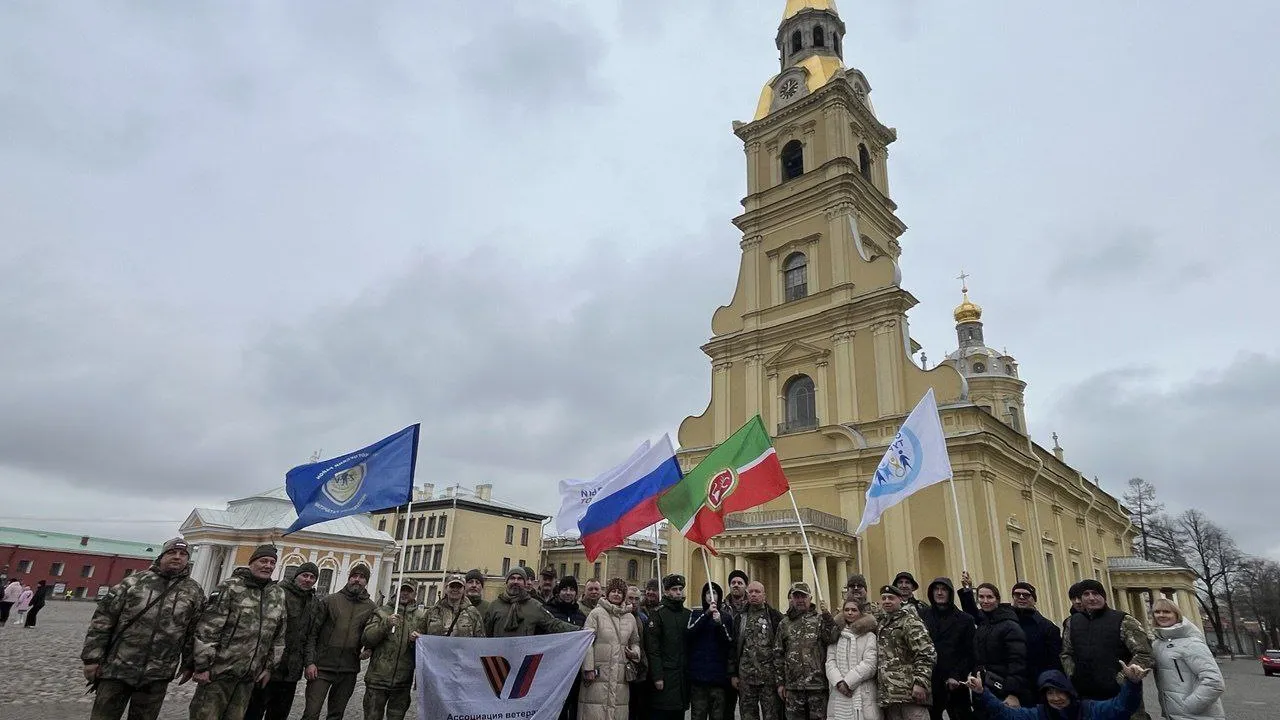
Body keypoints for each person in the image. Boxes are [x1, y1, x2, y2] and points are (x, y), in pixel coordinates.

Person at [81, 537, 205, 720]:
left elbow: (193, 631)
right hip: (118, 668)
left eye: (183, 554)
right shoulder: (133, 583)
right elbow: (103, 620)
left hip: (158, 673)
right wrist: (92, 659)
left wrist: (190, 663)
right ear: (161, 556)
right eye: (172, 553)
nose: (178, 557)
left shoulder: (193, 591)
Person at [188, 545, 287, 720]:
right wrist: (202, 666)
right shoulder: (230, 587)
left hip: (249, 676)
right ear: (252, 563)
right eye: (263, 561)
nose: (268, 566)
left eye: (272, 563)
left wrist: (269, 668)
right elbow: (208, 628)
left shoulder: (277, 594)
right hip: (219, 673)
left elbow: (278, 635)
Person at [1060, 579, 1153, 720]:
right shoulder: (1072, 622)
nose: (1091, 598)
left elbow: (1144, 653)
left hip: (1120, 696)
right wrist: (1073, 675)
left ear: (1104, 596)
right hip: (1086, 698)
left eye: (1096, 593)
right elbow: (1066, 653)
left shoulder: (1124, 620)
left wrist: (1123, 678)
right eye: (1086, 594)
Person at [301, 563, 377, 720]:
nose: (357, 580)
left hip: (348, 669)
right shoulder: (330, 601)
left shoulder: (371, 607)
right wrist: (310, 662)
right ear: (349, 578)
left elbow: (370, 633)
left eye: (362, 577)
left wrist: (369, 648)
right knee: (311, 713)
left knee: (336, 715)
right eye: (354, 576)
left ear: (366, 581)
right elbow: (312, 634)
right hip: (321, 667)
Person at [245, 561, 320, 720]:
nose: (308, 579)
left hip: (291, 671)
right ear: (296, 576)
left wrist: (309, 662)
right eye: (304, 575)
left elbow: (310, 636)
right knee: (254, 711)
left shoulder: (313, 602)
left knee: (279, 714)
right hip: (268, 667)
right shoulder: (278, 593)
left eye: (312, 577)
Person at [967, 665, 1149, 720]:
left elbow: (1123, 707)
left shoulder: (1090, 710)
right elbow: (1003, 713)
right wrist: (983, 692)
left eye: (1059, 692)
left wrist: (1132, 684)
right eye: (1049, 693)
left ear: (1069, 692)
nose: (1055, 698)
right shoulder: (1039, 714)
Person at [1149, 598, 1225, 720]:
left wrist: (1188, 707)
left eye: (1167, 612)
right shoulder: (1157, 644)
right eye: (1157, 612)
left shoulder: (1191, 642)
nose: (1161, 615)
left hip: (1196, 716)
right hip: (1174, 715)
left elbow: (1214, 681)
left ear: (1176, 614)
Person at [958, 580, 1029, 707]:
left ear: (997, 599)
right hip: (982, 685)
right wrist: (967, 589)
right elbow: (971, 611)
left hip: (1002, 689)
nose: (985, 601)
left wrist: (1013, 693)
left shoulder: (1010, 625)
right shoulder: (984, 621)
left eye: (989, 597)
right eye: (981, 597)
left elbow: (1017, 662)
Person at [362, 583, 425, 720]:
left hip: (402, 682)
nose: (405, 593)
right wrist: (386, 624)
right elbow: (367, 638)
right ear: (397, 592)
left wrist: (418, 641)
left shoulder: (421, 618)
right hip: (377, 679)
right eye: (402, 590)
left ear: (415, 594)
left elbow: (424, 651)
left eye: (409, 591)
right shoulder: (382, 611)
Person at [580, 578, 642, 720]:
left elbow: (635, 641)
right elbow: (587, 641)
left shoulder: (630, 617)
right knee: (595, 711)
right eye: (613, 591)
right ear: (607, 594)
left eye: (620, 592)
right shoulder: (596, 614)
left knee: (617, 712)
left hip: (620, 675)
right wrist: (588, 668)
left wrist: (634, 653)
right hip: (598, 674)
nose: (616, 594)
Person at [775, 581, 835, 720]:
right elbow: (778, 654)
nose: (800, 600)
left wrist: (828, 616)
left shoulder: (820, 620)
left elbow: (832, 637)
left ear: (810, 598)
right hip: (793, 687)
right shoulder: (784, 624)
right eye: (796, 597)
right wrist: (780, 683)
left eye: (803, 596)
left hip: (817, 687)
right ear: (791, 599)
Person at [876, 584, 936, 720]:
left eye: (891, 598)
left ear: (900, 600)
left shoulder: (910, 622)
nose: (886, 601)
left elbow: (927, 653)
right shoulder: (882, 624)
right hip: (890, 695)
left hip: (910, 693)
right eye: (884, 598)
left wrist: (920, 683)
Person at [918, 577, 974, 720]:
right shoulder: (922, 615)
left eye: (943, 589)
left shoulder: (965, 619)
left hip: (956, 682)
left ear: (950, 593)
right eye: (936, 589)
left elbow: (969, 652)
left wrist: (957, 675)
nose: (939, 593)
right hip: (930, 681)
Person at [730, 580, 784, 720]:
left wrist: (780, 678)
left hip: (769, 679)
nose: (753, 595)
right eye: (751, 592)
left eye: (757, 592)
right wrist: (733, 674)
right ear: (747, 595)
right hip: (746, 678)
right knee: (748, 715)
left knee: (771, 715)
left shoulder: (774, 617)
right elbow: (733, 647)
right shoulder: (740, 618)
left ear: (764, 595)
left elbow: (781, 649)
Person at [484, 566, 584, 637]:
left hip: (525, 661)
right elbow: (486, 634)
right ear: (506, 581)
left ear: (524, 583)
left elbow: (553, 624)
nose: (515, 582)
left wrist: (580, 630)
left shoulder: (534, 606)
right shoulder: (494, 606)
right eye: (512, 578)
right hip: (499, 661)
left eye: (519, 579)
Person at [645, 573, 692, 720]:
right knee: (661, 713)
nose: (678, 592)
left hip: (682, 678)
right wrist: (658, 676)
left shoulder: (687, 614)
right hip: (665, 676)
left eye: (680, 589)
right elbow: (653, 649)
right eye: (674, 589)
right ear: (666, 591)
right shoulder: (658, 615)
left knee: (678, 714)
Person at [825, 598, 880, 720]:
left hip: (862, 693)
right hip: (838, 692)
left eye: (854, 610)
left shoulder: (869, 636)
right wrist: (839, 682)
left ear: (860, 613)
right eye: (847, 610)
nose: (850, 613)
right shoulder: (836, 635)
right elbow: (830, 662)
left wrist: (848, 682)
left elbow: (870, 664)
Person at [688, 581, 735, 720]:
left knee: (718, 715)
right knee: (698, 714)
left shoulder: (725, 617)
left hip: (718, 679)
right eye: (708, 593)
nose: (711, 596)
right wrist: (707, 614)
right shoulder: (696, 614)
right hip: (699, 678)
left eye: (714, 593)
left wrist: (719, 623)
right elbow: (690, 633)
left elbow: (728, 642)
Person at [1009, 581, 1063, 682]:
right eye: (1017, 594)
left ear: (1034, 599)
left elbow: (1055, 661)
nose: (1021, 597)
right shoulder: (1006, 622)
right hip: (1011, 682)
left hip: (1038, 682)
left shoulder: (1047, 627)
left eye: (1026, 595)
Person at [624, 585, 652, 720]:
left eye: (636, 599)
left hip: (639, 671)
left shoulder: (643, 618)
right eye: (630, 598)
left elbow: (645, 645)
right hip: (622, 672)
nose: (633, 602)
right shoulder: (619, 614)